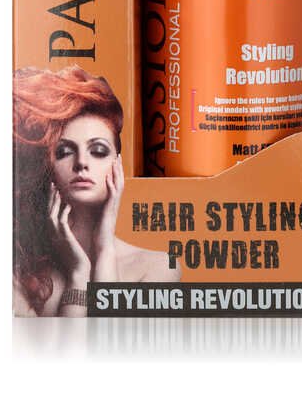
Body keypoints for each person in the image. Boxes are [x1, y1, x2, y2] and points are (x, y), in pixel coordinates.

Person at [13, 65, 180, 316]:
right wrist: (78, 273)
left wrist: (105, 249)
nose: (82, 163)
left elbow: (109, 340)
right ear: (48, 168)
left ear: (117, 165)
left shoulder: (159, 266)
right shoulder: (22, 276)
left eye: (98, 151)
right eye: (64, 151)